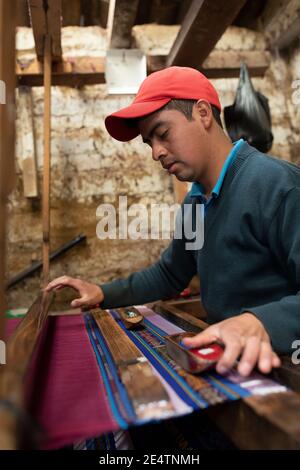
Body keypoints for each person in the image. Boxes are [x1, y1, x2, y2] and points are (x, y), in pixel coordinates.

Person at [47, 66, 300, 377]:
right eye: (149, 142)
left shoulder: (276, 185)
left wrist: (258, 322)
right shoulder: (195, 203)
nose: (156, 152)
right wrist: (103, 293)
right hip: (227, 359)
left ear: (203, 113)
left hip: (283, 362)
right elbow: (171, 274)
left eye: (163, 134)